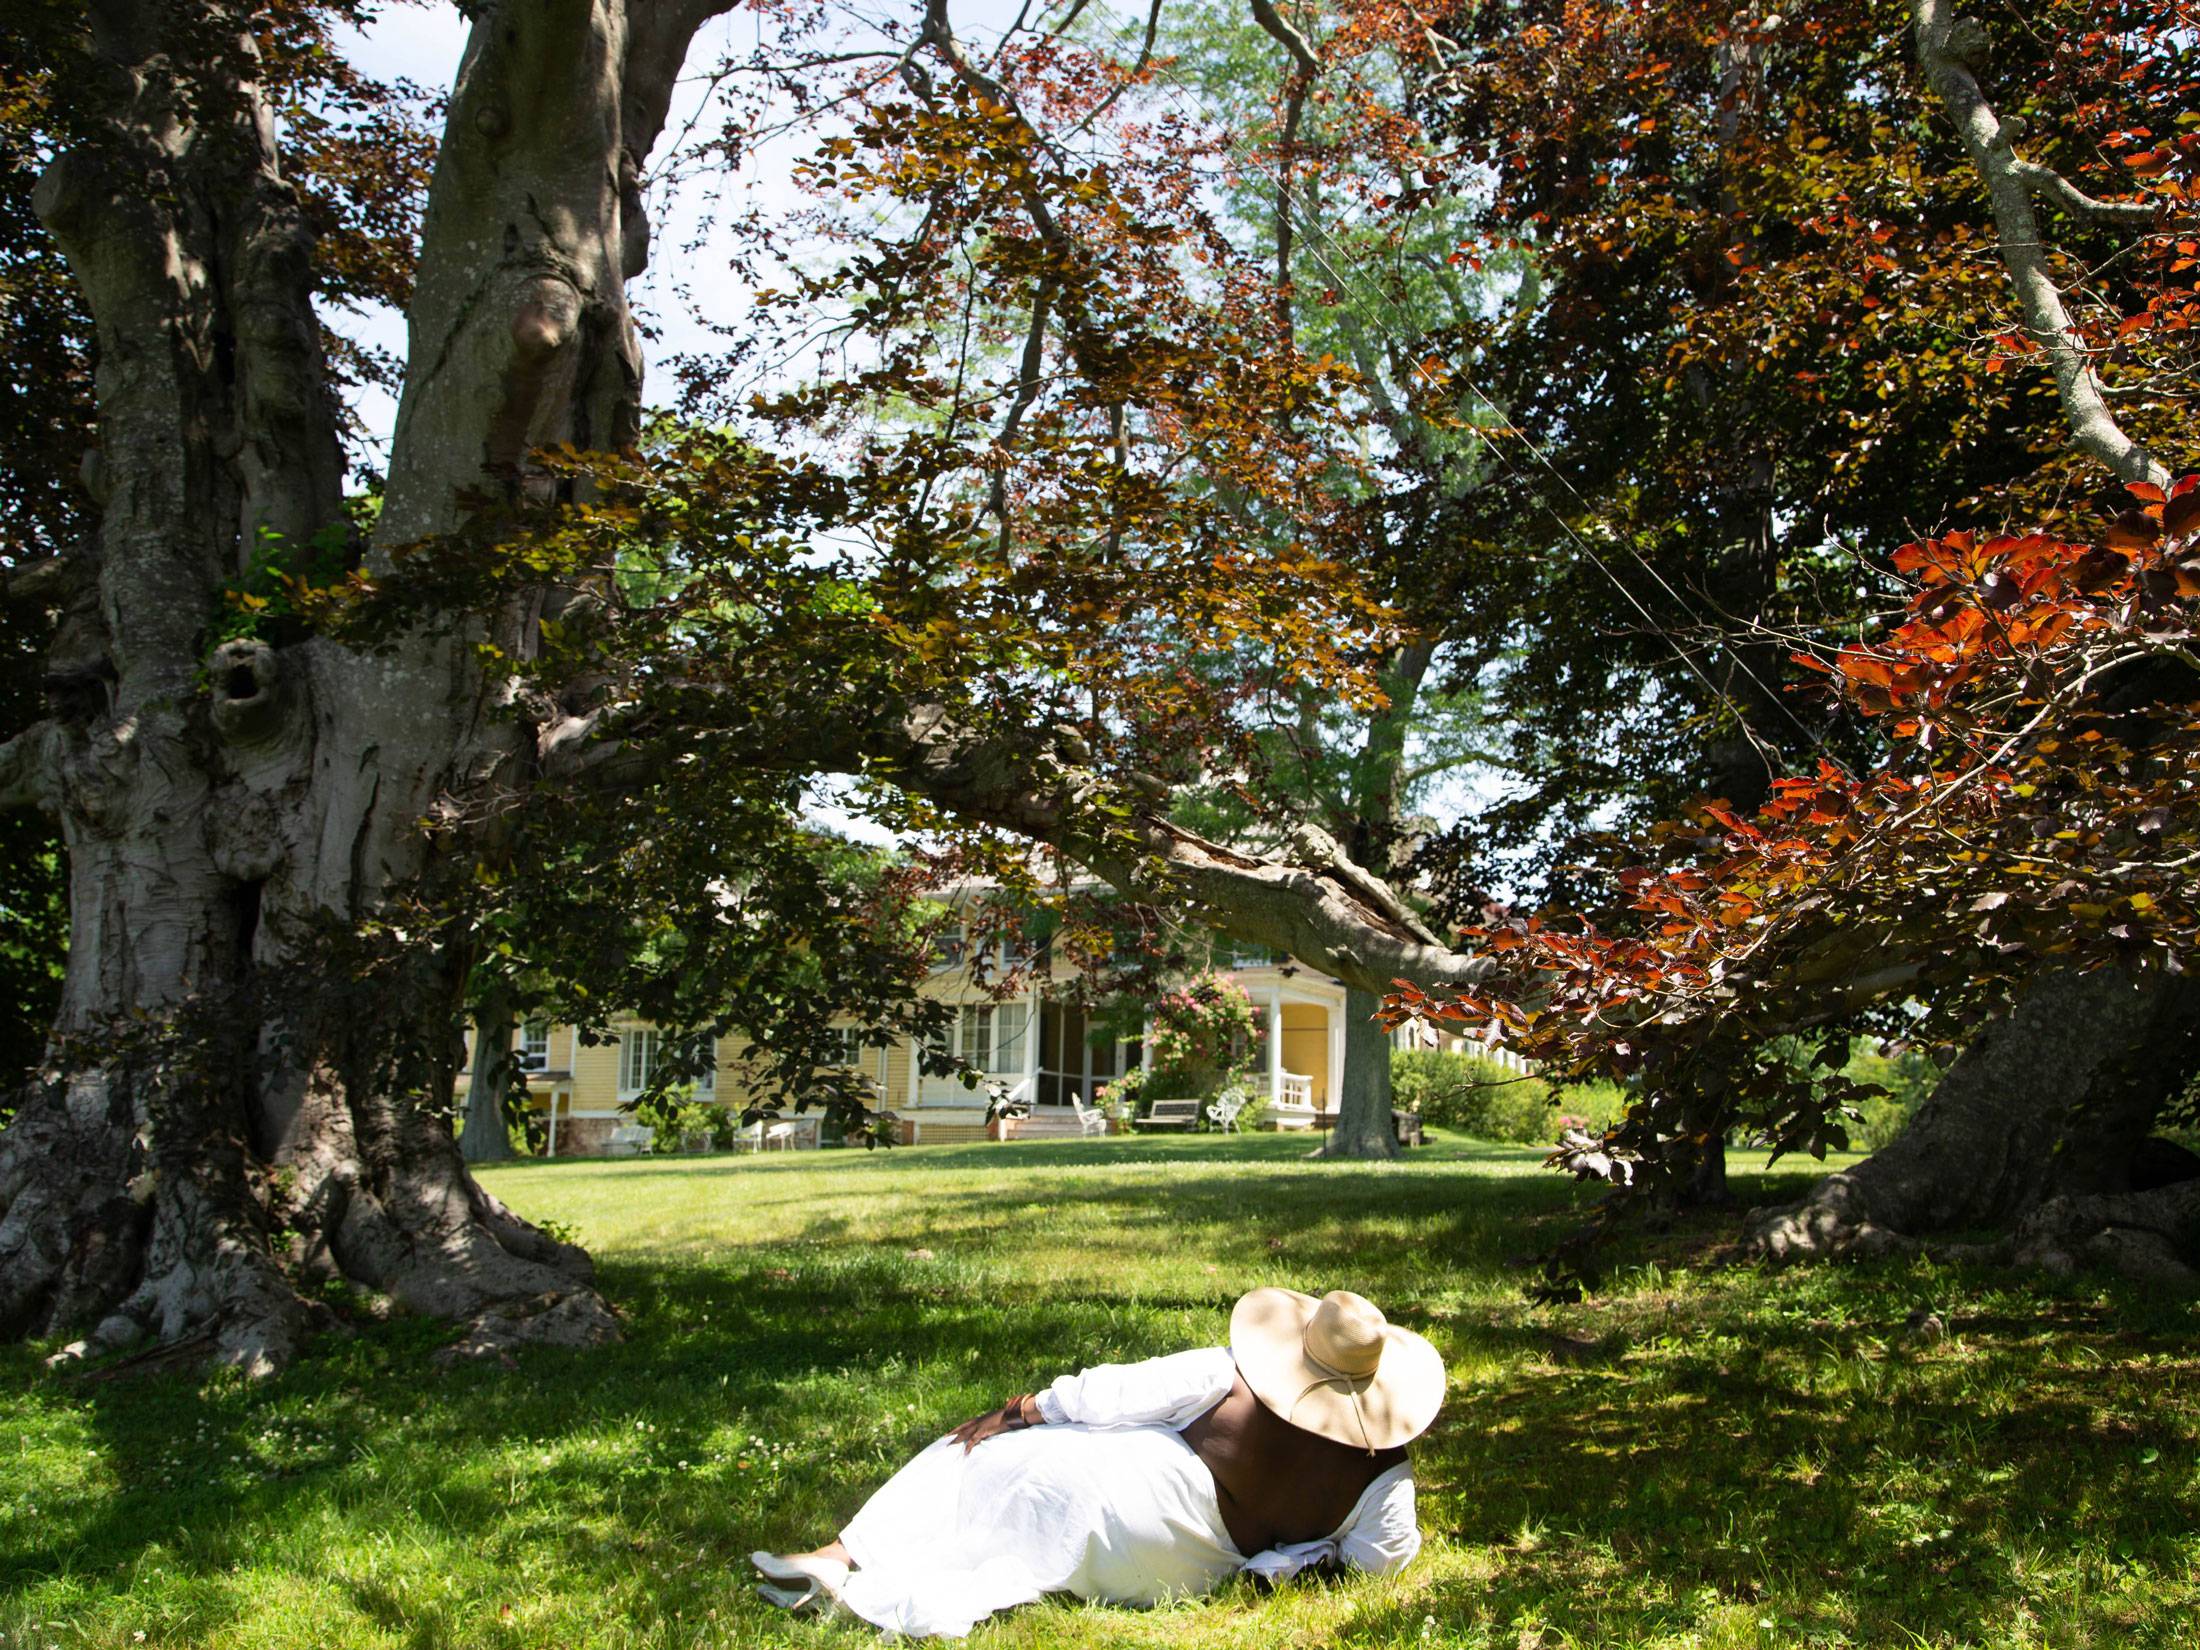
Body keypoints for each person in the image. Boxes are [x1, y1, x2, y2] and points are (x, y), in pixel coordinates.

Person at [749, 1286, 1445, 1638]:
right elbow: (1377, 1561)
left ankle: (839, 1557)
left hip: (1109, 1484)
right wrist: (1296, 1553)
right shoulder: (1383, 1470)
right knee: (1021, 1544)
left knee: (969, 1453)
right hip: (1177, 1567)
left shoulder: (1230, 1373)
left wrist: (1019, 1411)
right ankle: (870, 1579)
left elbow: (1114, 1392)